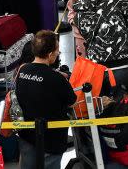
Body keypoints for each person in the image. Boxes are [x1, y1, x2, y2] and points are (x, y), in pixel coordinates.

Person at [15, 30, 77, 169]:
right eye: (57, 51)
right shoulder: (56, 79)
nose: (58, 54)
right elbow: (72, 101)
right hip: (51, 139)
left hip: (26, 135)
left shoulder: (23, 70)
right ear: (50, 55)